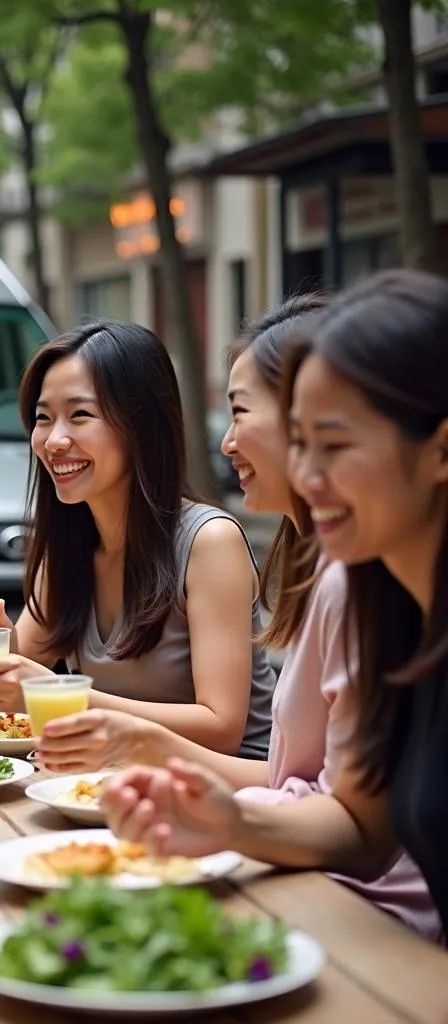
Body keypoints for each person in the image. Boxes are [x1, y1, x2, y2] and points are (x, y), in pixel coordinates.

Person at [37, 298, 435, 937]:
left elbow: (357, 828)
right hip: (307, 876)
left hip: (358, 915)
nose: (56, 440)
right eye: (43, 418)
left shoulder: (245, 550)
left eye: (330, 440)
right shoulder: (334, 574)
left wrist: (162, 760)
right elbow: (317, 795)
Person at [0, 322, 274, 757]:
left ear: (140, 424)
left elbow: (221, 728)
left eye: (80, 415)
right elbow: (24, 669)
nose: (54, 440)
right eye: (43, 418)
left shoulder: (209, 542)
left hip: (231, 797)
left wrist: (58, 696)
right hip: (108, 785)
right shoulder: (72, 544)